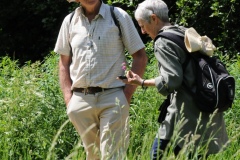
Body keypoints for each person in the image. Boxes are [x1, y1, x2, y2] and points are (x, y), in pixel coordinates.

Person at [120, 0, 228, 159]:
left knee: (157, 154)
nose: (142, 31)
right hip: (203, 113)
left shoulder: (163, 41)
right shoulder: (183, 31)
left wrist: (142, 82)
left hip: (182, 118)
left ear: (154, 18)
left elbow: (172, 81)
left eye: (142, 25)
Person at [54, 0, 148, 159]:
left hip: (113, 97)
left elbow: (140, 57)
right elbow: (64, 63)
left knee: (113, 155)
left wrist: (126, 95)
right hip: (80, 101)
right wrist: (69, 100)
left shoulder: (118, 16)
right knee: (93, 156)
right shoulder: (69, 21)